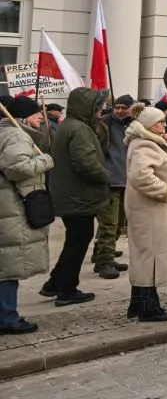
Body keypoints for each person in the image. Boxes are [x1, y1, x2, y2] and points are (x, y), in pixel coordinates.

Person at [42, 87, 109, 306]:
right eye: (99, 106)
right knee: (78, 241)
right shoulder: (79, 129)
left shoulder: (70, 125)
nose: (102, 109)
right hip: (78, 196)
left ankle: (54, 283)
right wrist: (105, 176)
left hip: (72, 195)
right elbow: (86, 164)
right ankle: (67, 289)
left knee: (74, 240)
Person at [123, 103, 167, 322]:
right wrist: (165, 191)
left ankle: (139, 303)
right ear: (150, 125)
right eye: (160, 122)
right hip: (149, 210)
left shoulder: (154, 141)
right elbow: (141, 176)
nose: (164, 124)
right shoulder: (143, 145)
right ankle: (147, 307)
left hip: (155, 211)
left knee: (147, 256)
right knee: (149, 257)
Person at [0, 96, 55, 333]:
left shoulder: (9, 133)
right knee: (8, 266)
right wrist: (45, 160)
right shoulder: (16, 135)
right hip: (12, 208)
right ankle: (8, 317)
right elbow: (17, 168)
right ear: (23, 117)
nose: (41, 117)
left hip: (7, 207)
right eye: (36, 114)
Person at [93, 94, 134, 280]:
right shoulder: (104, 123)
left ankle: (102, 253)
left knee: (119, 224)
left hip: (127, 181)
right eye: (117, 107)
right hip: (110, 180)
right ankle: (104, 261)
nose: (119, 111)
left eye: (123, 107)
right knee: (109, 223)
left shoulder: (134, 125)